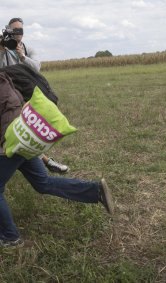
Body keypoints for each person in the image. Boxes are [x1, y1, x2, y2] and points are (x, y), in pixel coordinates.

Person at [0, 68, 114, 248]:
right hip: (24, 138)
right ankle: (95, 191)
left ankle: (10, 237)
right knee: (43, 183)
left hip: (9, 144)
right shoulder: (4, 77)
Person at [0, 17, 69, 174]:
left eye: (20, 30)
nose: (18, 34)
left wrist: (23, 57)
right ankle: (46, 161)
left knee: (25, 129)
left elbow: (37, 67)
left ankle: (40, 161)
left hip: (23, 94)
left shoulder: (27, 49)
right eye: (14, 30)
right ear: (8, 31)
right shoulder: (3, 47)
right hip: (6, 96)